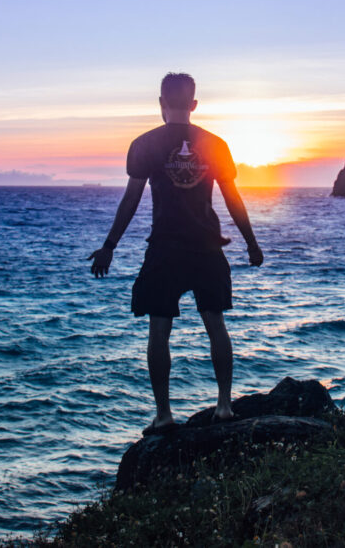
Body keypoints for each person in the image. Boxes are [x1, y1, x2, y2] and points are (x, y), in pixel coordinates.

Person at [88, 72, 264, 435]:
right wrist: (251, 242)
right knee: (216, 325)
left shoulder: (145, 144)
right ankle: (225, 407)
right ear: (194, 104)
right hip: (207, 247)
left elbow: (130, 200)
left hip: (165, 249)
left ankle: (164, 414)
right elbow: (233, 199)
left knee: (159, 331)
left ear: (161, 104)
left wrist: (109, 247)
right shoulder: (215, 144)